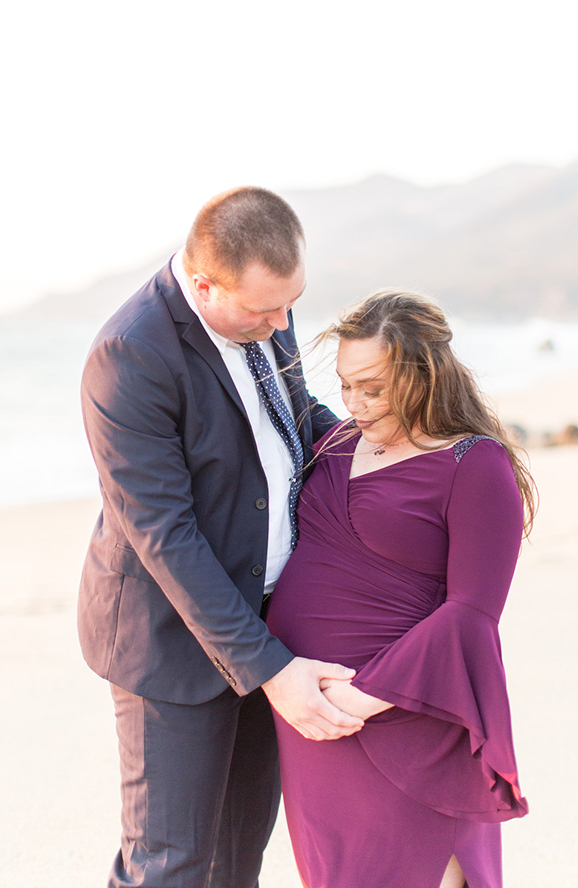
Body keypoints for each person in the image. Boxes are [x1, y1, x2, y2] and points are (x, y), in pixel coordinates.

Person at [78, 187, 365, 888]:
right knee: (171, 866)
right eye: (263, 310)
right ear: (202, 284)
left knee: (239, 862)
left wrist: (390, 448)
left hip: (272, 620)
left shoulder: (265, 310)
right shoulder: (129, 356)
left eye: (289, 305)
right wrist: (271, 668)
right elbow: (164, 535)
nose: (279, 323)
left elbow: (296, 418)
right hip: (168, 643)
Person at [266, 290, 536, 888]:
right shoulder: (336, 444)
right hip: (311, 716)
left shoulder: (475, 464)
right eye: (345, 385)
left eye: (374, 387)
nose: (356, 404)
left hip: (400, 716)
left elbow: (471, 615)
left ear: (425, 375)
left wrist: (359, 698)